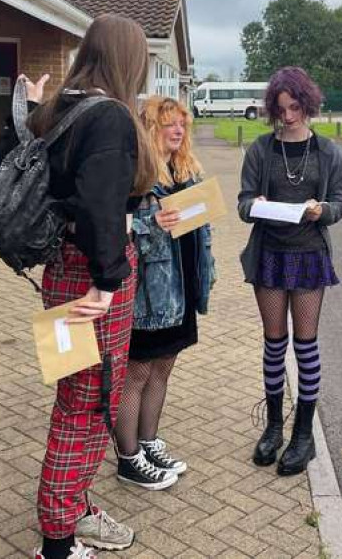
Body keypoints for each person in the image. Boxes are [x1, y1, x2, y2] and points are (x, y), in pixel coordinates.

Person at [0, 14, 157, 559]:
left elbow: (2, 168)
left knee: (73, 396)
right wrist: (108, 284)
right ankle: (57, 542)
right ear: (128, 60)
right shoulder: (107, 116)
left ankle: (76, 509)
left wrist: (27, 107)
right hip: (92, 279)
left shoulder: (56, 109)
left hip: (59, 272)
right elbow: (99, 206)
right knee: (87, 409)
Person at [238, 66, 342, 476]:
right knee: (273, 344)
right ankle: (272, 427)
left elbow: (339, 204)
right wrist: (257, 204)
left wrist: (322, 211)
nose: (287, 117)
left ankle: (304, 433)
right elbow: (243, 204)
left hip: (309, 255)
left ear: (308, 103)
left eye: (295, 108)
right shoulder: (261, 150)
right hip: (269, 254)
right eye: (280, 109)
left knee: (305, 346)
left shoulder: (327, 151)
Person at [114, 96, 215, 490]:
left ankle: (148, 442)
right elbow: (117, 231)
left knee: (163, 368)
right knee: (136, 373)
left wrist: (208, 271)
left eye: (182, 124)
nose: (178, 131)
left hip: (181, 291)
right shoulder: (136, 176)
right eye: (168, 124)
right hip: (147, 296)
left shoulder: (186, 169)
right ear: (150, 129)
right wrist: (149, 222)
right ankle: (127, 458)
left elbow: (201, 227)